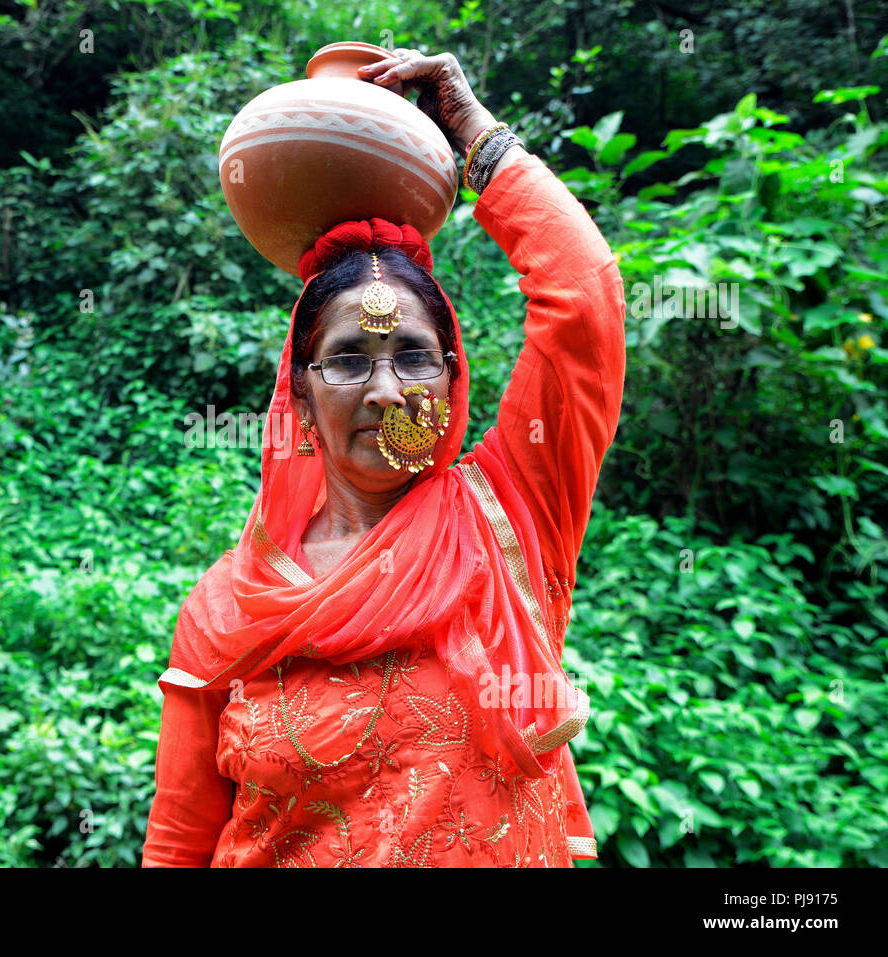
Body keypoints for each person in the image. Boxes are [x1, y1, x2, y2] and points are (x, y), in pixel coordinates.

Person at [142, 47, 626, 867]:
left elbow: (584, 303)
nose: (386, 391)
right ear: (298, 391)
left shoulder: (512, 516)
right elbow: (180, 843)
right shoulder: (228, 609)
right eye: (348, 359)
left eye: (412, 355)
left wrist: (477, 139)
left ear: (452, 372)